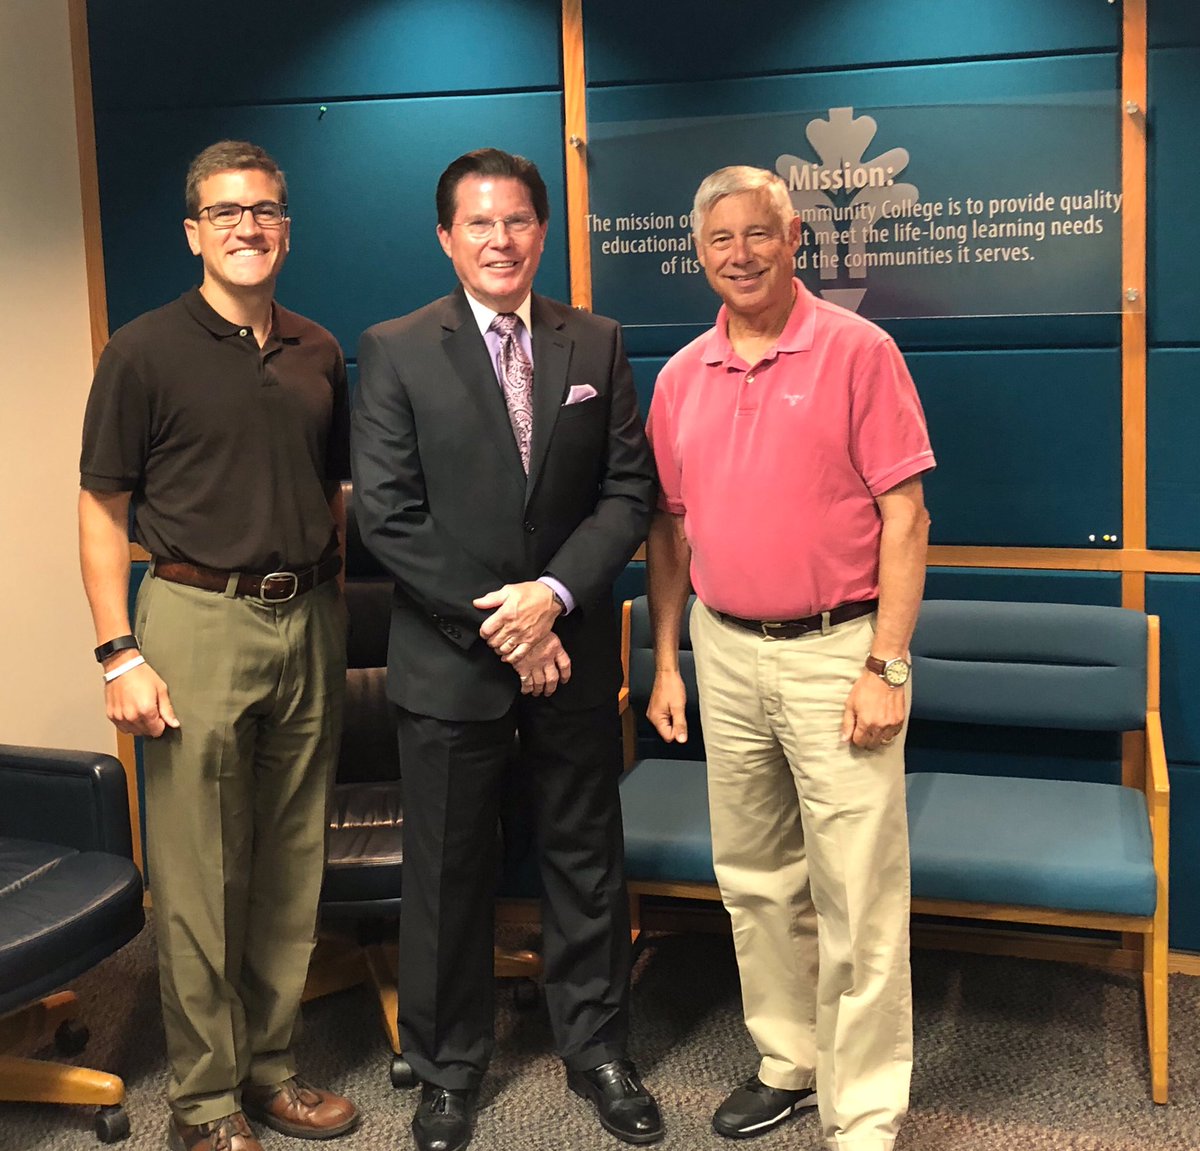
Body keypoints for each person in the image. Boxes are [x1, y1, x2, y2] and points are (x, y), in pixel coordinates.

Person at [352, 147, 661, 1151]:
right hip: (453, 664)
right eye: (479, 223)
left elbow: (627, 492)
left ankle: (598, 1047)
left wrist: (553, 597)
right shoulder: (396, 348)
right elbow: (389, 517)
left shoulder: (596, 341)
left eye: (519, 220)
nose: (501, 240)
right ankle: (447, 1069)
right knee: (448, 872)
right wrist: (509, 626)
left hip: (573, 652)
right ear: (446, 237)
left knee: (585, 856)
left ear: (543, 230)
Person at [645, 166, 935, 1151]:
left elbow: (906, 516)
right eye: (720, 239)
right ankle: (790, 1060)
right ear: (700, 254)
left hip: (838, 651)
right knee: (757, 877)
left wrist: (886, 664)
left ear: (795, 236)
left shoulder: (859, 350)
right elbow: (669, 528)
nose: (741, 255)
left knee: (857, 890)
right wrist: (669, 660)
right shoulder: (681, 376)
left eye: (758, 233)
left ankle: (864, 1111)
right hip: (724, 650)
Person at [78, 140, 358, 1151]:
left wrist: (323, 595)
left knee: (291, 862)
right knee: (200, 874)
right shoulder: (142, 351)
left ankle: (271, 1070)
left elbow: (333, 490)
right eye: (227, 211)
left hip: (308, 617)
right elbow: (102, 509)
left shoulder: (319, 350)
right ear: (194, 231)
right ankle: (203, 1102)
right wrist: (118, 651)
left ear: (287, 227)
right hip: (194, 620)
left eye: (267, 209)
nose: (249, 226)